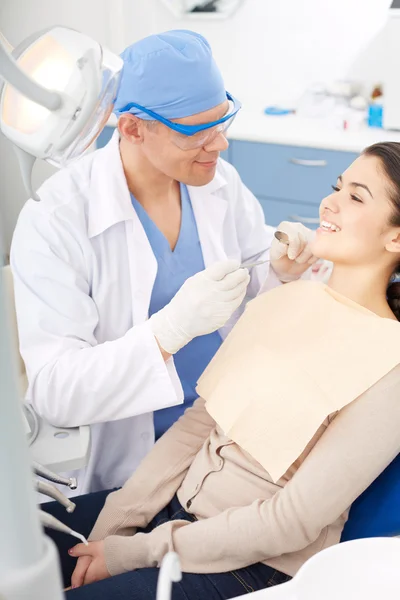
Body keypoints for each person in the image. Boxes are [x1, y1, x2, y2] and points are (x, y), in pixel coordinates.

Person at [41, 141, 400, 598]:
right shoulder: (284, 298)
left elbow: (292, 521)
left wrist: (133, 553)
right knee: (18, 545)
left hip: (251, 565)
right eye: (337, 186)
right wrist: (111, 528)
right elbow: (196, 427)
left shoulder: (390, 363)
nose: (329, 201)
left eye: (356, 196)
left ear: (397, 237)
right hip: (172, 512)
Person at [10, 30, 315, 495]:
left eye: (223, 120)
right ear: (132, 128)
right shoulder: (55, 218)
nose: (220, 145)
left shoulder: (220, 184)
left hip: (228, 429)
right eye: (196, 131)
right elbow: (55, 393)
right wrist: (168, 332)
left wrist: (279, 271)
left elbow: (252, 290)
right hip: (139, 458)